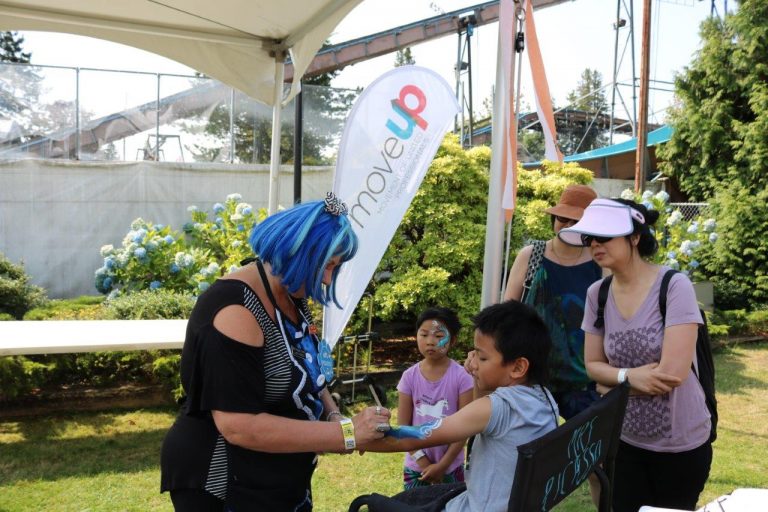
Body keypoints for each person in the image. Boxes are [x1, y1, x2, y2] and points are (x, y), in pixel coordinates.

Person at [160, 193, 391, 511]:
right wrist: (345, 434)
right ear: (295, 254)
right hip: (225, 483)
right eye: (325, 266)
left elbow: (310, 370)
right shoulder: (235, 310)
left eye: (334, 268)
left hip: (276, 480)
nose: (327, 279)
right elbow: (239, 425)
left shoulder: (291, 294)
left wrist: (333, 413)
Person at [558, 197, 711, 512]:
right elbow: (591, 366)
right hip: (624, 442)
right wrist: (628, 376)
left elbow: (671, 376)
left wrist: (611, 382)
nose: (594, 244)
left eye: (604, 236)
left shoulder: (674, 286)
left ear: (635, 237)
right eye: (589, 238)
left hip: (680, 446)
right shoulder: (596, 295)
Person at [364, 300, 559, 512]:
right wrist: (478, 373)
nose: (474, 362)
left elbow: (414, 436)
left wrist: (352, 439)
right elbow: (478, 411)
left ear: (518, 366)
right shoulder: (544, 399)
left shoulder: (498, 407)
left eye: (482, 357)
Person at [502, 183, 602, 420]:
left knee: (583, 451)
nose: (568, 226)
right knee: (531, 450)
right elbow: (508, 313)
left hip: (584, 381)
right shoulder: (531, 255)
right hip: (531, 376)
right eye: (562, 218)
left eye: (576, 222)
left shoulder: (601, 262)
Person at [397, 307, 475, 489]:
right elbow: (402, 427)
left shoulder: (462, 377)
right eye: (424, 335)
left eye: (439, 336)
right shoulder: (409, 377)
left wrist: (442, 466)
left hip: (451, 468)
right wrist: (424, 463)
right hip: (416, 468)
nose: (430, 342)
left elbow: (465, 428)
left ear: (452, 340)